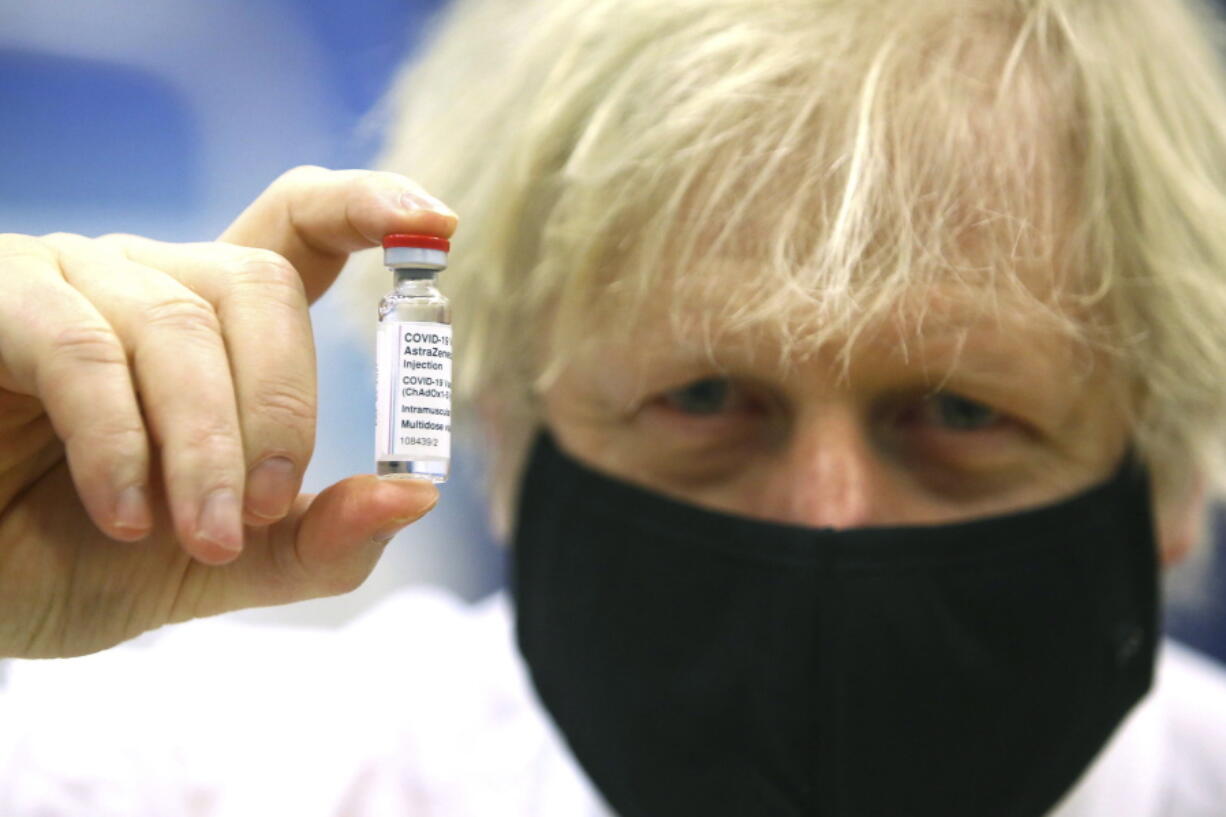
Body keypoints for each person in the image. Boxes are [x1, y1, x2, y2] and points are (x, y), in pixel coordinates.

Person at [2, 0, 1226, 813]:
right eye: (704, 396)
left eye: (958, 412)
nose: (828, 519)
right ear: (502, 425)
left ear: (1170, 471)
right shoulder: (210, 782)